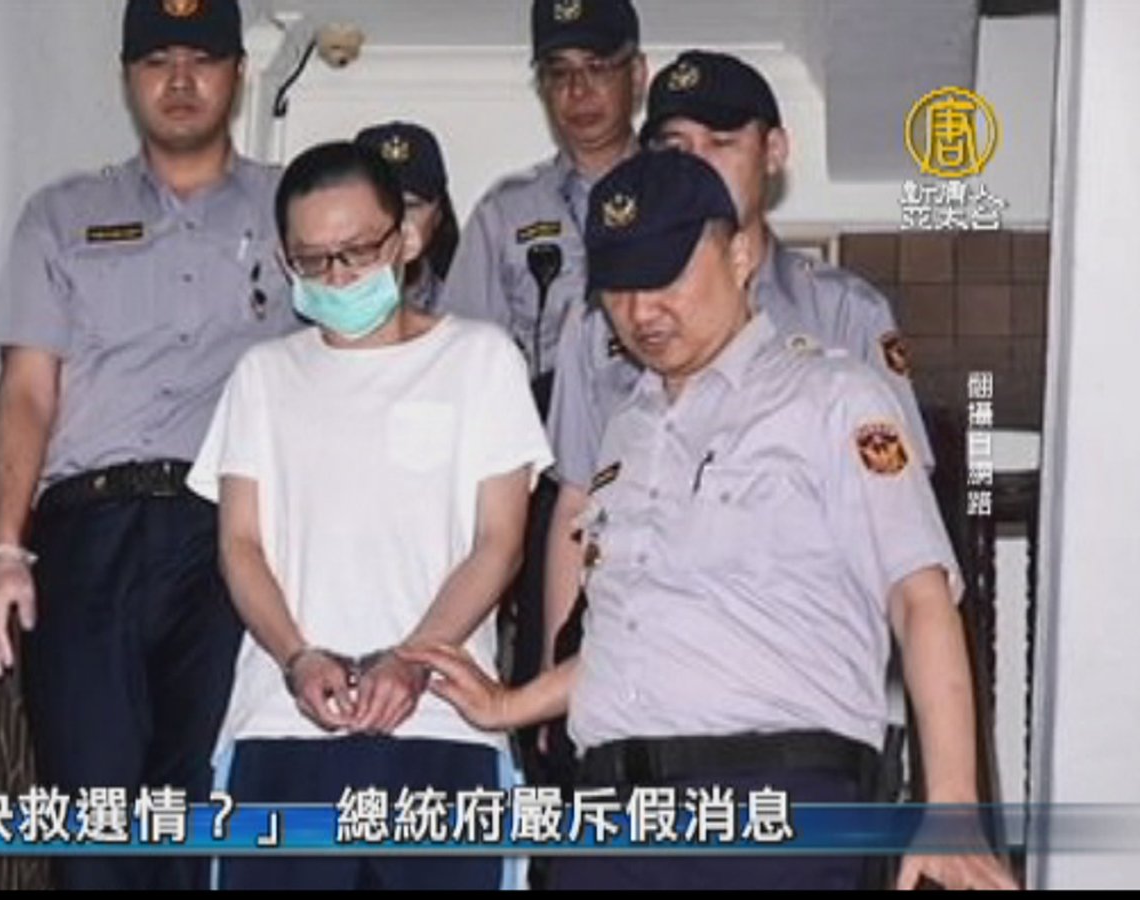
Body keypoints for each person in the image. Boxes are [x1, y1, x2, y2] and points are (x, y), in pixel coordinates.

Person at [405, 150, 1017, 891]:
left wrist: (951, 803)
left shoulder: (834, 398)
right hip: (611, 819)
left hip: (770, 811)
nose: (641, 312)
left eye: (666, 279)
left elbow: (921, 599)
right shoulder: (627, 430)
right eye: (619, 288)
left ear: (739, 256)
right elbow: (643, 642)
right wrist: (511, 703)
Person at [0, 0, 295, 889]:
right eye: (157, 61)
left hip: (228, 537)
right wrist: (3, 550)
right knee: (92, 814)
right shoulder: (62, 214)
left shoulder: (292, 208)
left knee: (195, 807)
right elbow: (28, 390)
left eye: (201, 59)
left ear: (236, 74)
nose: (179, 81)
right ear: (127, 80)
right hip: (88, 534)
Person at [187, 141, 553, 890]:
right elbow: (241, 545)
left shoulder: (481, 360)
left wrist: (413, 658)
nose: (338, 277)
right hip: (282, 725)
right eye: (313, 260)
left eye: (356, 252)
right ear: (285, 262)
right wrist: (297, 658)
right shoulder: (263, 376)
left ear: (406, 239)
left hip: (445, 724)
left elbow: (499, 544)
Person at [543, 50, 934, 680]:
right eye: (675, 147)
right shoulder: (600, 322)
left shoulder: (843, 312)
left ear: (773, 151)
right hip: (631, 672)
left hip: (787, 675)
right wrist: (552, 686)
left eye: (721, 142)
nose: (698, 163)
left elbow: (900, 524)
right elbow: (576, 508)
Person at [440, 0, 648, 779]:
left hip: (659, 448)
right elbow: (461, 370)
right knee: (545, 666)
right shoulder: (508, 211)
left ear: (638, 76)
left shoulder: (682, 193)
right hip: (546, 467)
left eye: (597, 70)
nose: (578, 92)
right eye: (558, 75)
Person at [355, 121, 459, 312]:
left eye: (411, 206)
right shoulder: (314, 305)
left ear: (439, 214)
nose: (395, 220)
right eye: (378, 205)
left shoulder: (468, 307)